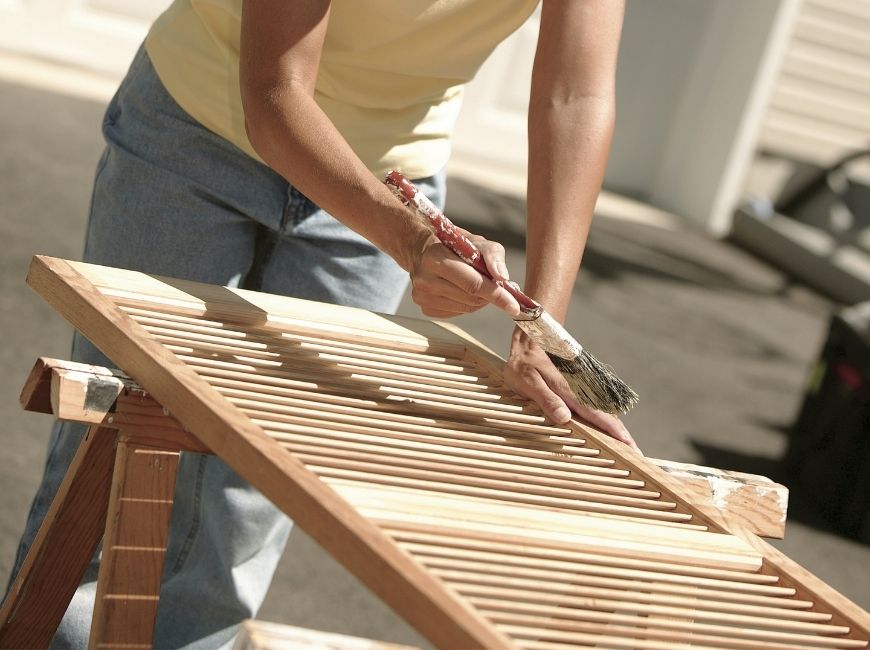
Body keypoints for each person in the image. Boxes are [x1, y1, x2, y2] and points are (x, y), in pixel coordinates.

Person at [8, 0, 636, 647]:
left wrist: (542, 327)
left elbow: (575, 94)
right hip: (199, 133)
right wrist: (413, 243)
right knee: (119, 463)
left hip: (386, 178)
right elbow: (276, 93)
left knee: (247, 508)